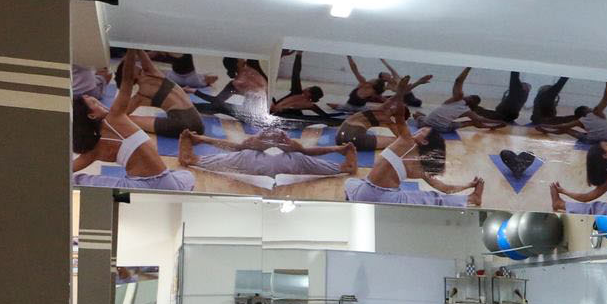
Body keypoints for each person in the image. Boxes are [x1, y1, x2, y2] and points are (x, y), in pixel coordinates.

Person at [72, 69, 195, 191]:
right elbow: (126, 85)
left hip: (138, 189)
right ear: (92, 115)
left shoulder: (102, 138)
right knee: (187, 176)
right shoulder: (114, 120)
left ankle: (131, 199)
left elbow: (69, 170)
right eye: (96, 103)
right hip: (165, 184)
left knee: (77, 180)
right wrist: (130, 59)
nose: (101, 104)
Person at [342, 104, 484, 206]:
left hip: (369, 195)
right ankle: (471, 199)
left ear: (424, 141)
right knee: (433, 198)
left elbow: (399, 117)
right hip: (386, 199)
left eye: (422, 131)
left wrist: (400, 92)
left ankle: (472, 198)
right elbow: (444, 189)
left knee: (351, 183)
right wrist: (467, 185)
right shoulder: (421, 166)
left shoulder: (405, 141)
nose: (417, 130)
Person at [177, 127, 356, 180]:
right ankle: (344, 167)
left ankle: (192, 158)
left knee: (242, 153)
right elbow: (306, 152)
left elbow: (236, 147)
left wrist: (204, 139)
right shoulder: (284, 139)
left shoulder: (259, 139)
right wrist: (337, 149)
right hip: (286, 163)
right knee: (301, 157)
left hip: (253, 162)